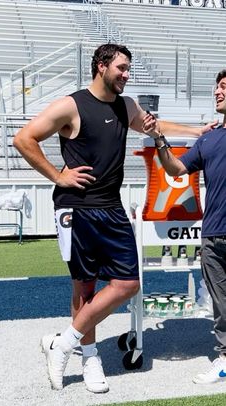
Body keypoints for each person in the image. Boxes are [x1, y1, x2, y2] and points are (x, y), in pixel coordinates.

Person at [13, 43, 215, 393]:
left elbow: (152, 124)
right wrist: (58, 176)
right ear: (101, 66)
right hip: (76, 208)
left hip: (111, 206)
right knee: (85, 286)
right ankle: (90, 357)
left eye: (128, 69)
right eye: (121, 68)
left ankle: (63, 342)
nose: (126, 74)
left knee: (128, 283)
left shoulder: (126, 106)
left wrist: (196, 132)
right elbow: (23, 138)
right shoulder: (70, 105)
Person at [143, 69, 226, 384]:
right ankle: (225, 360)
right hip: (214, 234)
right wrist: (159, 138)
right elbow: (175, 168)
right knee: (222, 304)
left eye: (224, 87)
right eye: (216, 87)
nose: (217, 92)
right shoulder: (209, 139)